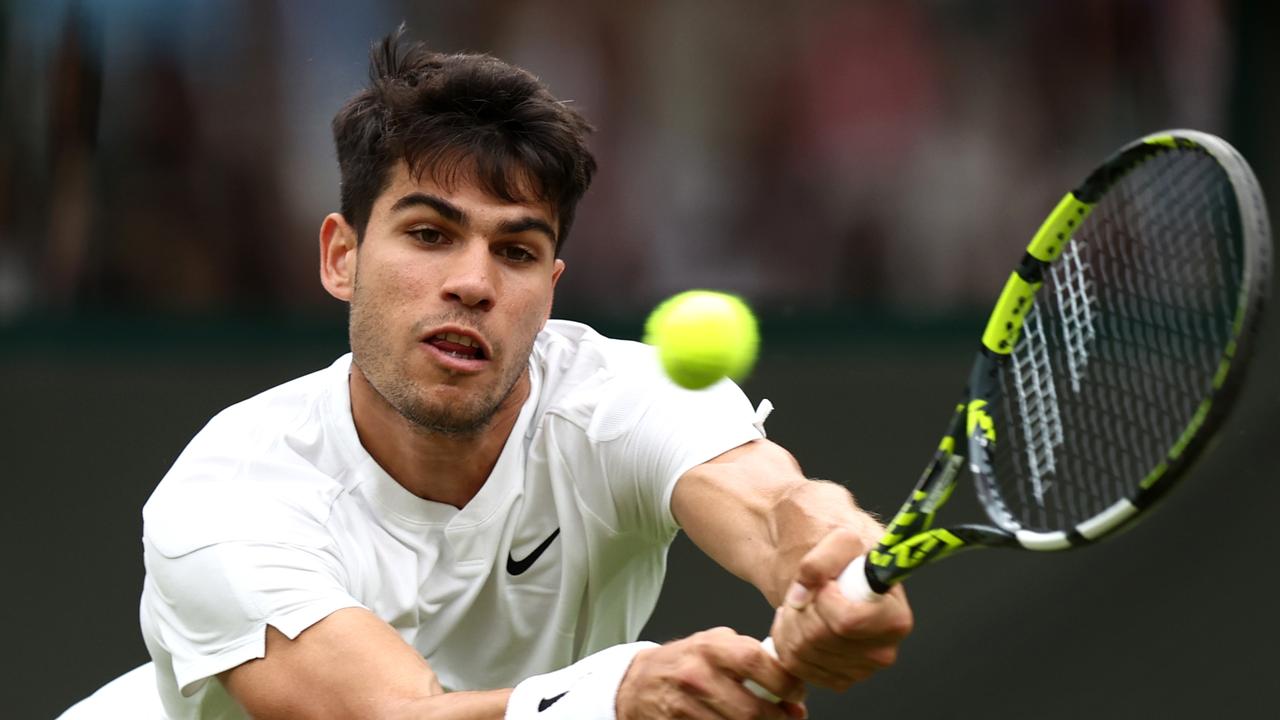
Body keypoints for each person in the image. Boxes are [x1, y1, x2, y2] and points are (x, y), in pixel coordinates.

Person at [61, 27, 912, 720]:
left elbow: (775, 508)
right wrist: (613, 698)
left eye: (516, 250)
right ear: (341, 257)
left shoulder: (620, 399)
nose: (473, 281)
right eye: (430, 234)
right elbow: (389, 717)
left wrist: (836, 568)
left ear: (549, 292)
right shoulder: (228, 495)